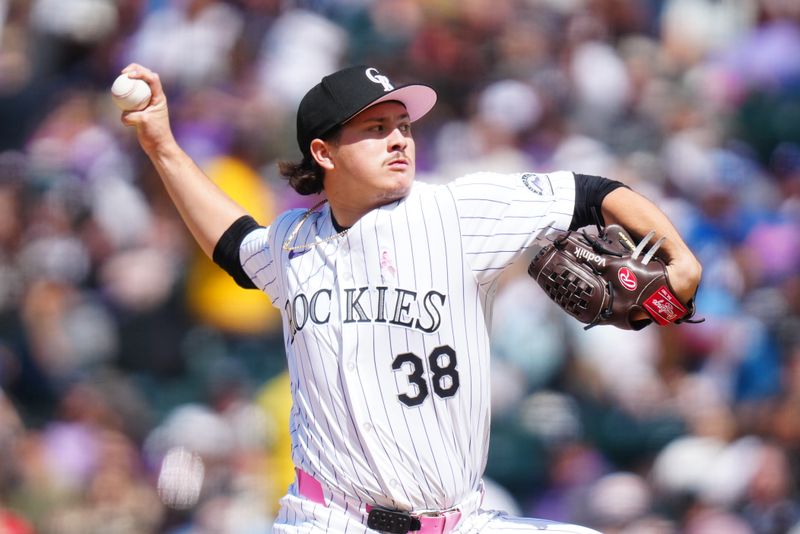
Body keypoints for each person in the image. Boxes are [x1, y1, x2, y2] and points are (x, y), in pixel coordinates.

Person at [120, 63, 702, 534]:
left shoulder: (455, 212)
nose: (399, 139)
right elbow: (234, 244)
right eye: (376, 130)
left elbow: (590, 193)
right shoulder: (293, 245)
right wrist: (161, 144)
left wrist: (681, 258)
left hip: (461, 521)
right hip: (328, 521)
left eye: (404, 126)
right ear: (324, 153)